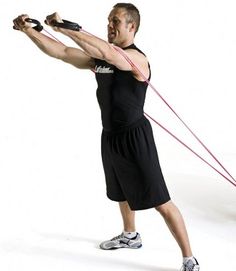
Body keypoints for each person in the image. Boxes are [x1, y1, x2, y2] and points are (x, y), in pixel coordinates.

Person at [13, 3, 200, 271]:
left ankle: (189, 258)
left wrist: (63, 26)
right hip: (110, 135)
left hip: (135, 137)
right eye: (108, 21)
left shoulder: (137, 59)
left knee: (161, 201)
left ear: (131, 27)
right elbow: (63, 53)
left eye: (116, 22)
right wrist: (29, 32)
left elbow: (107, 52)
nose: (110, 26)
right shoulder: (101, 59)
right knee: (121, 191)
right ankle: (130, 235)